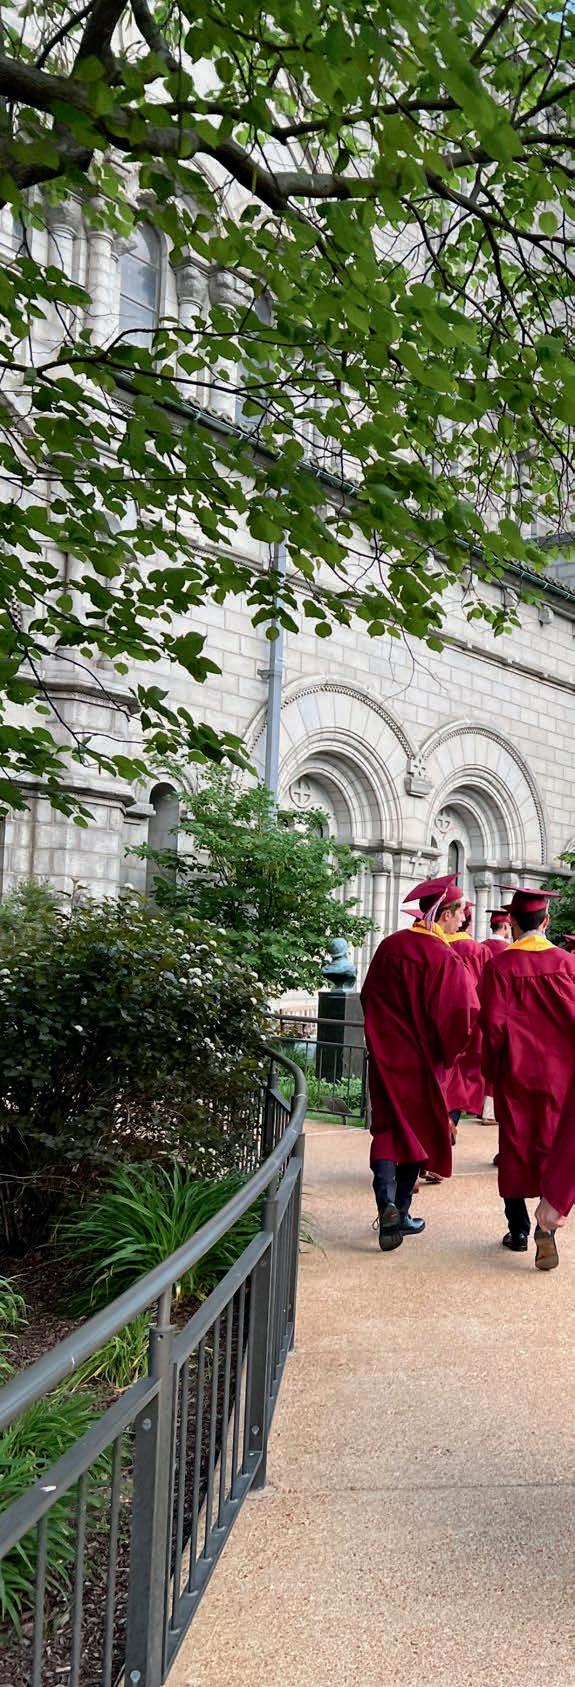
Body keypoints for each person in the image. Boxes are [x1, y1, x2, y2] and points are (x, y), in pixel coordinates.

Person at [361, 874, 479, 1252]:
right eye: (459, 913)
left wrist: (380, 1040)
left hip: (386, 1058)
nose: (463, 919)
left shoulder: (390, 946)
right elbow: (460, 1014)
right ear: (444, 913)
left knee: (386, 1129)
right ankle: (401, 1211)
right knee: (419, 1131)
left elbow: (368, 996)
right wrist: (450, 1053)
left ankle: (386, 1204)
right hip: (424, 1063)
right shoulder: (443, 957)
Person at [480, 886, 575, 1270]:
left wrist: (492, 1069)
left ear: (514, 924)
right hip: (562, 1076)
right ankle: (546, 1227)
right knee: (554, 1146)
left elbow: (492, 1026)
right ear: (546, 921)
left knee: (515, 1146)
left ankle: (517, 1229)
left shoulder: (499, 967)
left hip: (517, 1072)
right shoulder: (568, 964)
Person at [445, 901, 487, 1125]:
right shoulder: (479, 950)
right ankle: (466, 1105)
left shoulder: (439, 946)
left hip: (445, 1015)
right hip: (475, 1013)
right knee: (471, 1062)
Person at [481, 907, 512, 1130]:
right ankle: (490, 1110)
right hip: (503, 1011)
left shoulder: (480, 947)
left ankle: (482, 1107)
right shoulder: (509, 952)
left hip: (481, 1006)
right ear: (506, 926)